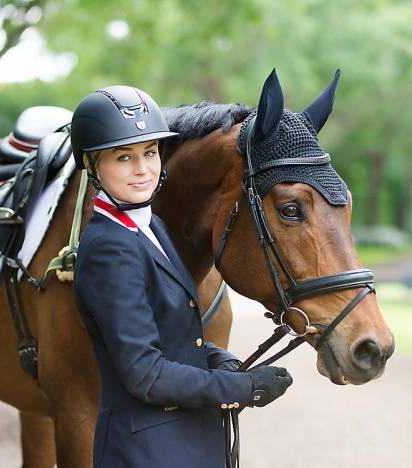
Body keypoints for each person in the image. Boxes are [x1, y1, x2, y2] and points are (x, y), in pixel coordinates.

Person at [71, 85, 293, 468]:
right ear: (93, 165)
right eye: (124, 157)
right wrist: (244, 388)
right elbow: (145, 374)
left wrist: (215, 357)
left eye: (150, 153)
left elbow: (170, 338)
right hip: (146, 451)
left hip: (187, 439)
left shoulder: (152, 225)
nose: (142, 169)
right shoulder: (109, 249)